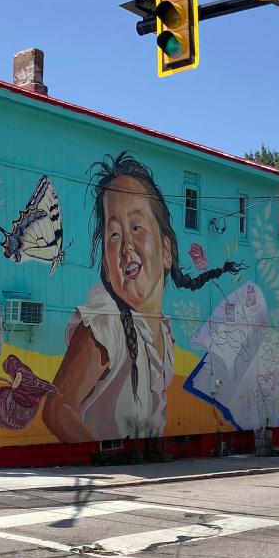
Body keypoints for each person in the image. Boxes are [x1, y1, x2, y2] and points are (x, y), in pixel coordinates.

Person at [42, 152, 244, 442]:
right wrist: (102, 460)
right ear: (106, 266)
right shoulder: (105, 320)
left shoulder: (163, 331)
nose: (126, 246)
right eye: (113, 234)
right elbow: (58, 409)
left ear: (166, 250)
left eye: (136, 227)